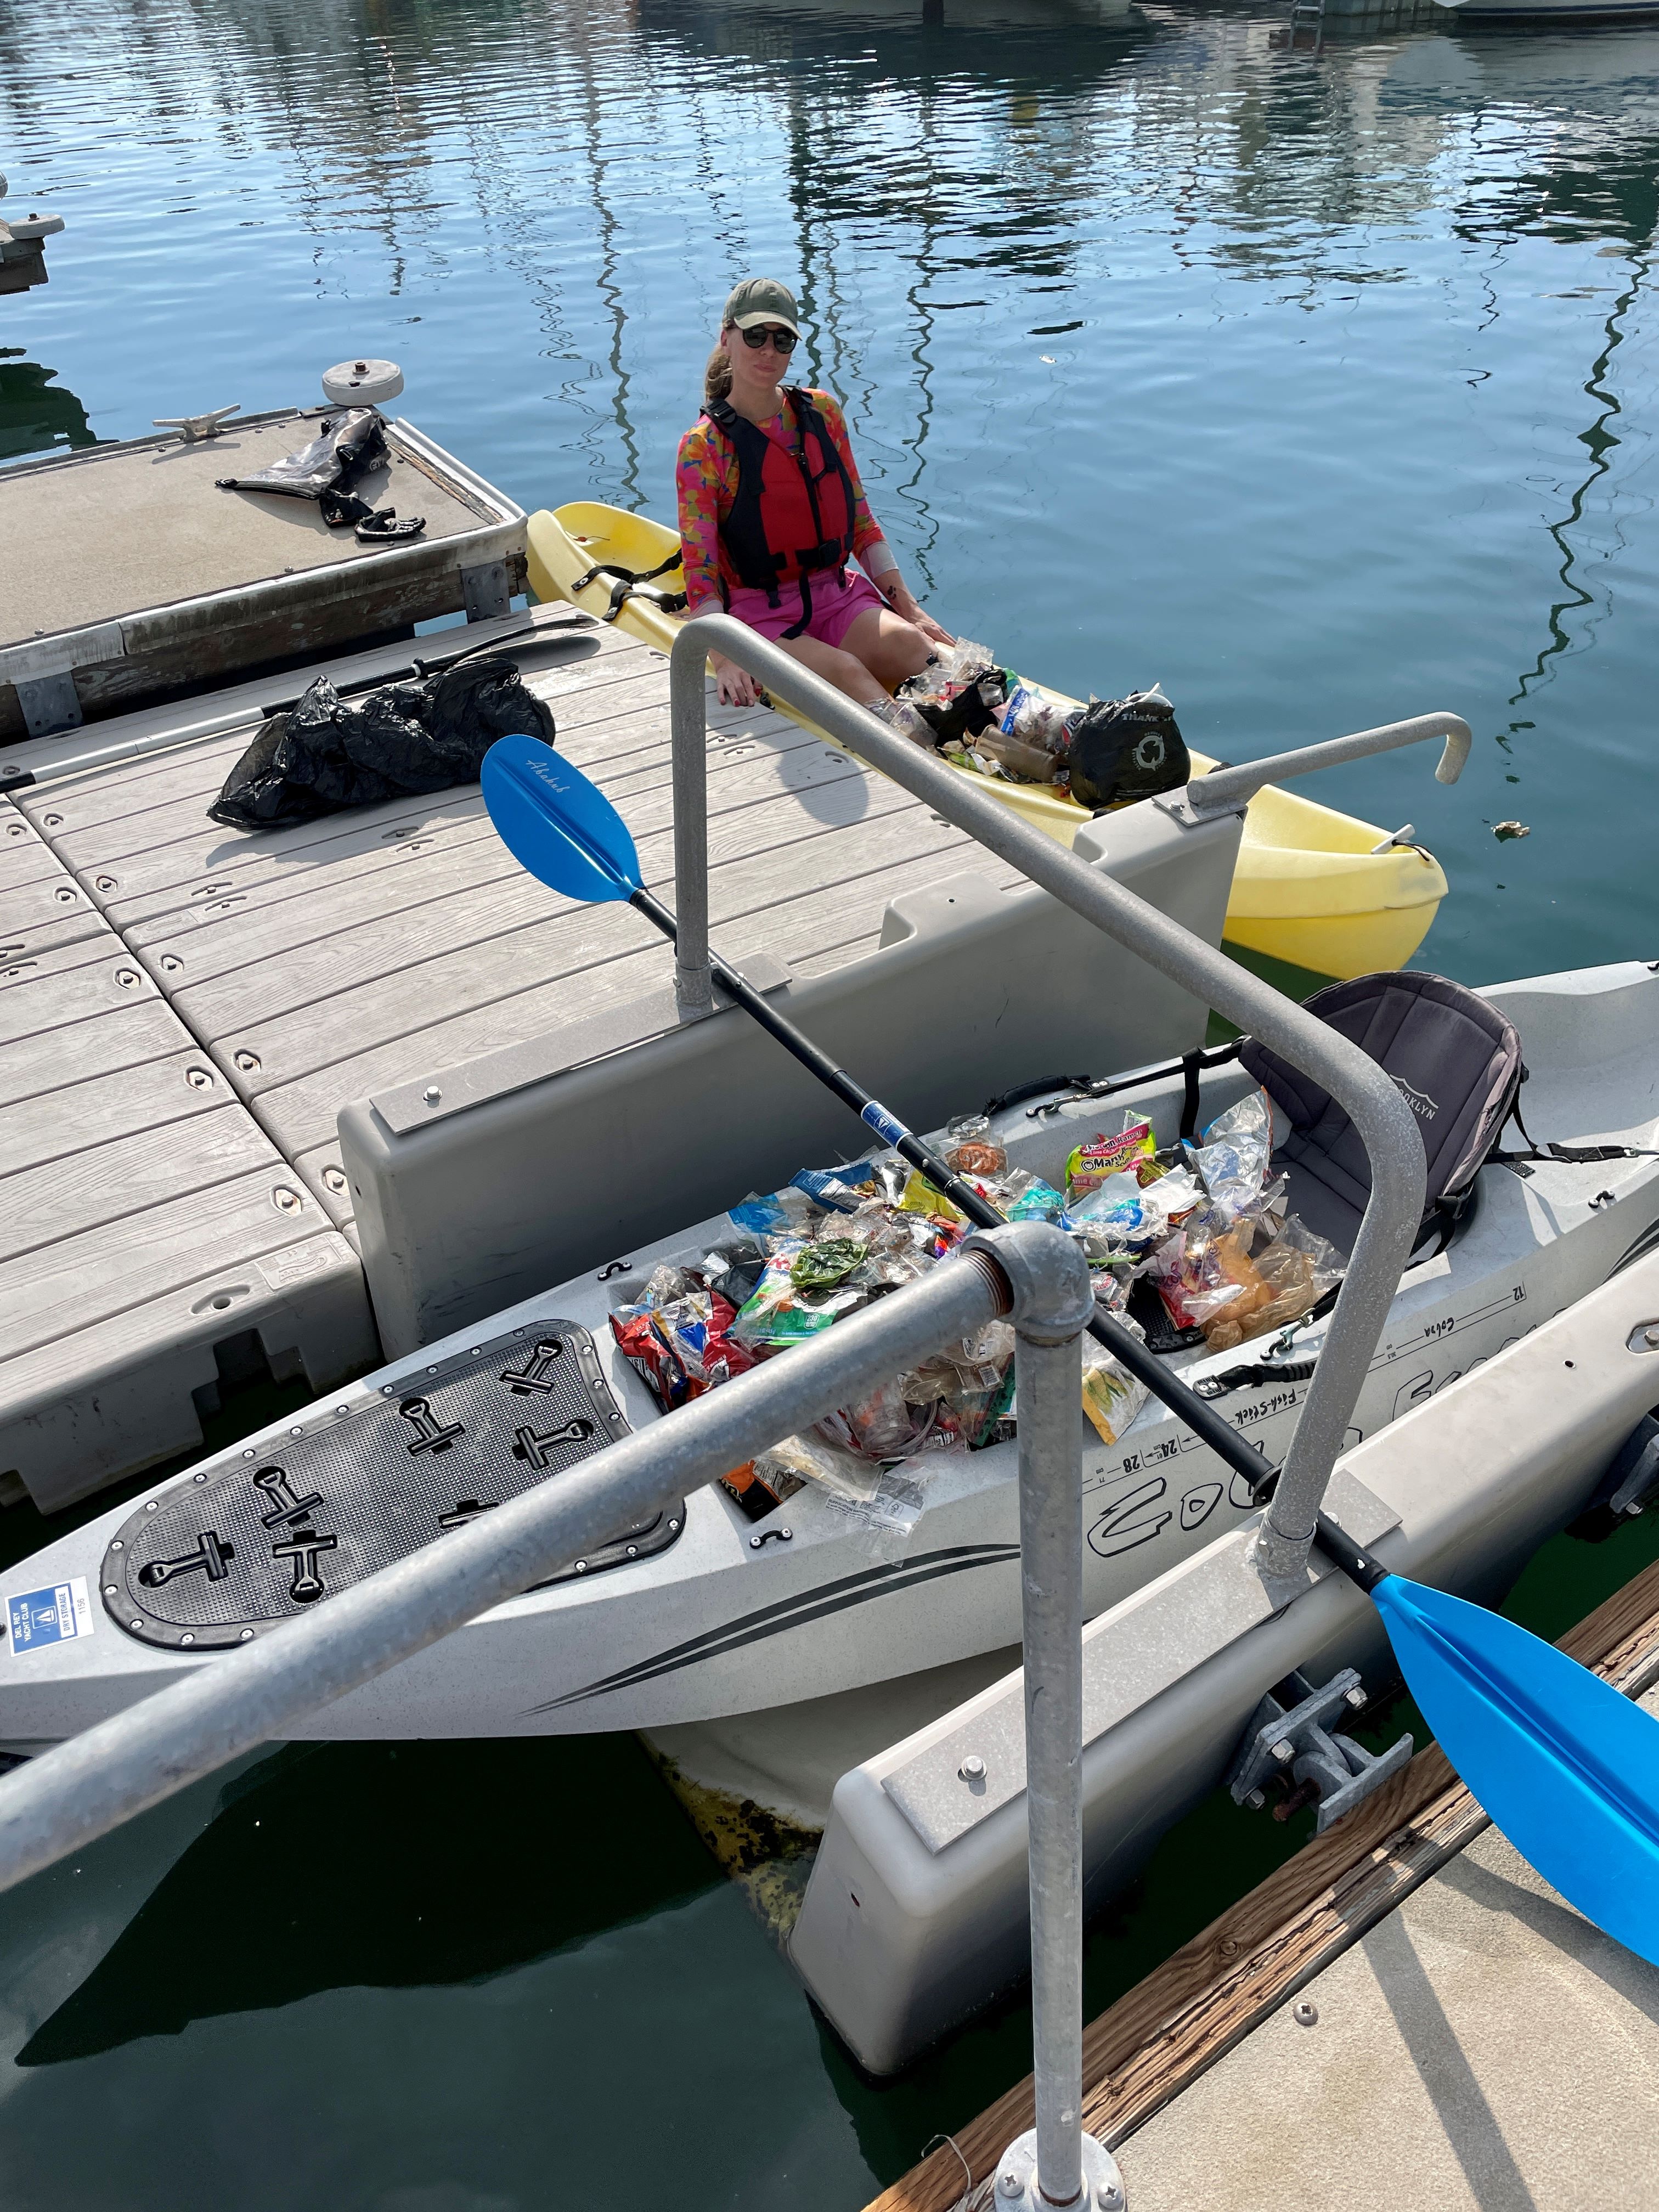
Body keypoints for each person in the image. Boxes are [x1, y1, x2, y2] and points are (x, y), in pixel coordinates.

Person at [675, 277, 953, 733]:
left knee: (918, 649)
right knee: (847, 673)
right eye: (755, 336)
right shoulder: (703, 448)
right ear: (727, 338)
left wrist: (910, 609)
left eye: (782, 339)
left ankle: (1033, 733)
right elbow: (700, 570)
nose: (769, 351)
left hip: (835, 596)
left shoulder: (821, 413)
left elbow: (861, 521)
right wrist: (724, 656)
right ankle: (942, 772)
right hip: (757, 616)